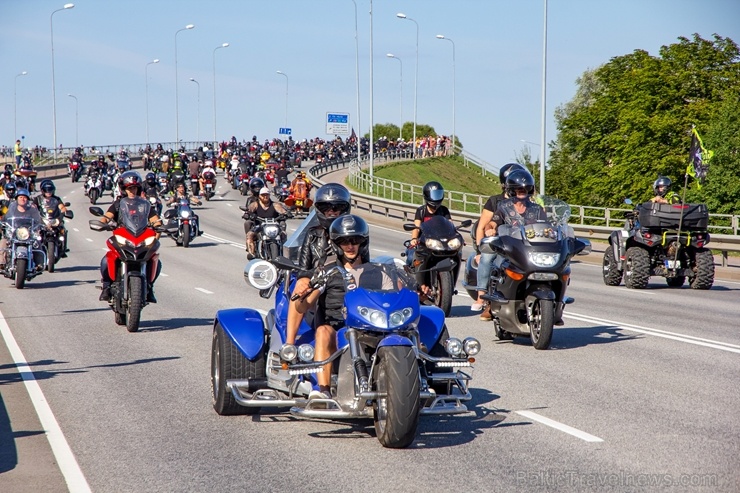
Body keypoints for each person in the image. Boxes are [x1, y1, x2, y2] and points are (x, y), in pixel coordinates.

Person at [292, 214, 370, 400]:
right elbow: (305, 305)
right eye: (344, 241)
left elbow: (393, 291)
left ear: (362, 243)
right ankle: (323, 390)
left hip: (368, 327)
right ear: (336, 244)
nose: (350, 246)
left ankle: (418, 380)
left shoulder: (373, 271)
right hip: (337, 330)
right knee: (323, 331)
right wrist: (302, 297)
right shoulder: (327, 272)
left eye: (355, 240)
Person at [284, 184, 367, 351]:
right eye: (326, 207)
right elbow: (304, 266)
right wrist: (305, 279)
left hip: (344, 278)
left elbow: (364, 265)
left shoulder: (354, 233)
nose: (332, 211)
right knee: (299, 289)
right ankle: (289, 345)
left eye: (337, 207)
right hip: (317, 278)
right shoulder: (313, 234)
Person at [478, 169, 546, 321]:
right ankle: (491, 303)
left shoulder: (537, 209)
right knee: (499, 266)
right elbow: (492, 223)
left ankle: (552, 305)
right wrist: (490, 229)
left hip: (531, 249)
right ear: (512, 190)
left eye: (525, 189)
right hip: (510, 249)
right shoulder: (504, 207)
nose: (522, 192)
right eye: (518, 189)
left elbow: (547, 227)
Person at [97, 171, 162, 303]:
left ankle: (149, 287)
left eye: (134, 187)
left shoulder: (145, 205)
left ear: (138, 188)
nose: (132, 190)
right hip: (124, 237)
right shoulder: (118, 204)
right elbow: (106, 217)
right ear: (124, 189)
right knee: (106, 260)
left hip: (141, 237)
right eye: (129, 188)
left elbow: (156, 221)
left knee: (156, 261)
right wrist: (102, 223)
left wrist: (158, 230)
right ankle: (106, 287)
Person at [471, 163, 527, 313]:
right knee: (487, 259)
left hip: (521, 244)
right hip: (499, 244)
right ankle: (481, 296)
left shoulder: (527, 203)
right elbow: (483, 226)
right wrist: (479, 250)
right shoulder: (496, 202)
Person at [406, 181, 451, 266]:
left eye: (438, 194)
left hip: (440, 243)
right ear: (427, 195)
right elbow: (416, 227)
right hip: (423, 243)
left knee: (455, 256)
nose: (436, 197)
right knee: (411, 258)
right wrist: (414, 239)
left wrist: (455, 237)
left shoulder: (444, 210)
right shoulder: (421, 211)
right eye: (434, 194)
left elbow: (450, 225)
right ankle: (408, 275)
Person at [0, 188, 44, 271]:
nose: (23, 199)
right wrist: (2, 223)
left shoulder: (32, 210)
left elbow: (38, 221)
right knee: (3, 241)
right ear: (17, 198)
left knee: (37, 243)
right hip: (14, 233)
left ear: (27, 199)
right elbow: (4, 218)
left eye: (25, 197)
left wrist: (39, 226)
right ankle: (1, 263)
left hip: (27, 234)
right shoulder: (10, 209)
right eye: (20, 197)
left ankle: (39, 264)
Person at [245, 187, 289, 259]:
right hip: (260, 226)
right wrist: (248, 213)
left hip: (274, 226)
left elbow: (282, 210)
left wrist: (286, 213)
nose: (265, 197)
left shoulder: (274, 205)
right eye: (263, 195)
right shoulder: (255, 204)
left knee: (283, 234)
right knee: (249, 235)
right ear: (259, 196)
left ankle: (285, 254)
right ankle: (251, 252)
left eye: (267, 195)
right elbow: (250, 209)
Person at [33, 180, 70, 257]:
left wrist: (64, 213)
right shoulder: (38, 199)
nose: (48, 192)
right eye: (46, 190)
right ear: (42, 190)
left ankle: (63, 247)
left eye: (50, 190)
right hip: (42, 220)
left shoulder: (56, 199)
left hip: (54, 219)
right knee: (35, 232)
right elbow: (33, 208)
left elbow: (62, 207)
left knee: (63, 229)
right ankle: (34, 247)